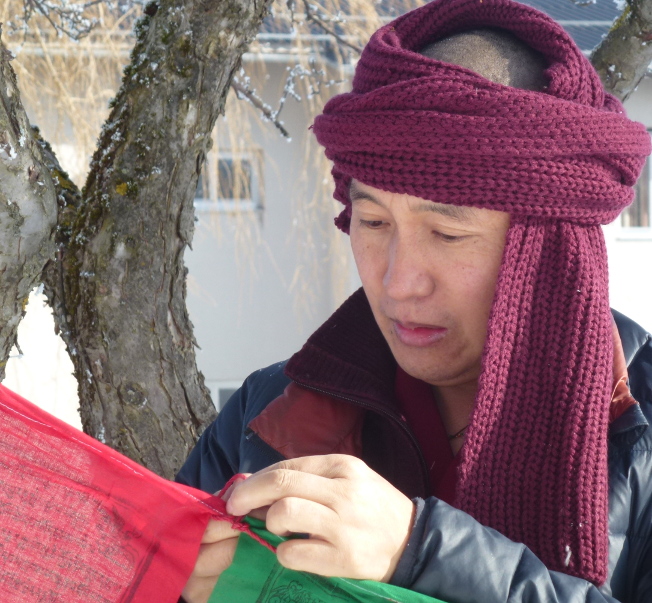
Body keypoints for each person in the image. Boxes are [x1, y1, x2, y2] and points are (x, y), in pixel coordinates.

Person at [177, 0, 652, 601]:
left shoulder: (638, 436)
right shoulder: (265, 419)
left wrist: (418, 550)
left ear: (550, 246)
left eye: (448, 234)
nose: (398, 283)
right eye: (373, 223)